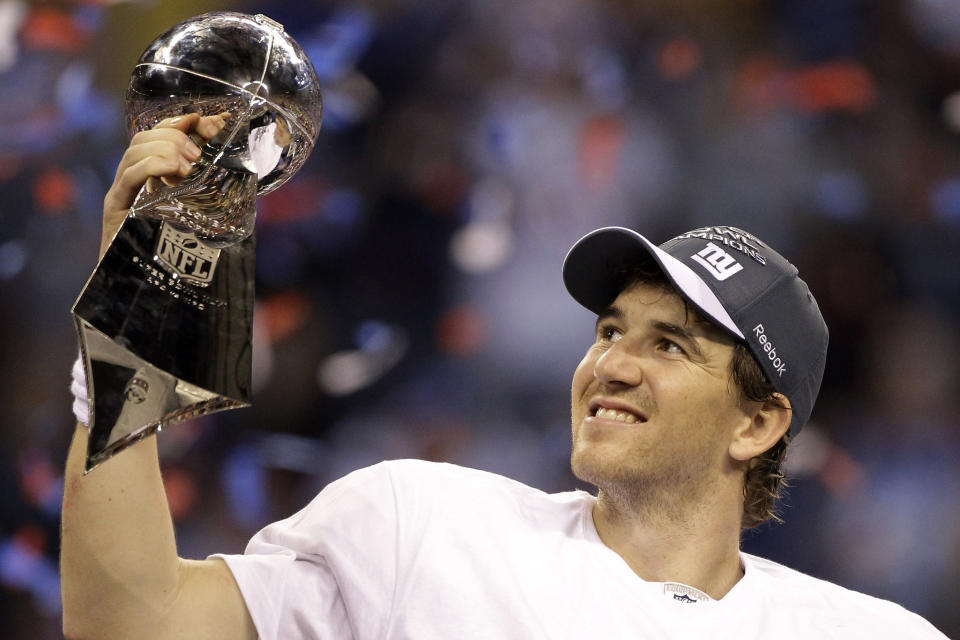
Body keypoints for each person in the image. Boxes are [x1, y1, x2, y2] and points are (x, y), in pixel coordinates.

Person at [60, 114, 948, 639]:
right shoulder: (421, 526)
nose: (613, 363)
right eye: (609, 329)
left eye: (669, 346)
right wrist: (141, 316)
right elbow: (134, 621)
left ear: (757, 426)